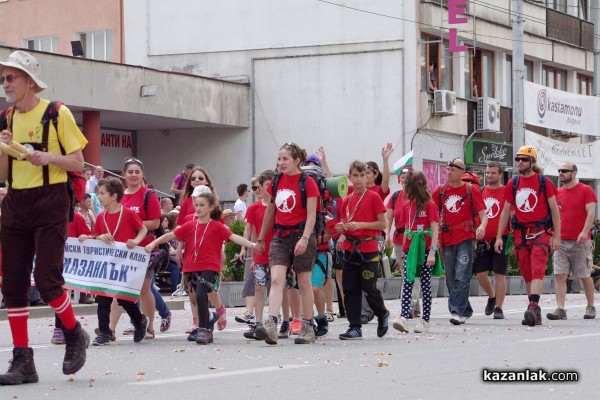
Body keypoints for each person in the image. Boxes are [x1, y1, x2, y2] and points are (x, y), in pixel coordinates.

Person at [0, 50, 90, 384]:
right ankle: (23, 360)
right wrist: (3, 147)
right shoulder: (6, 117)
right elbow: (3, 173)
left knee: (49, 281)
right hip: (15, 202)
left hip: (50, 199)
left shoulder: (57, 112)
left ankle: (74, 332)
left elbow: (79, 163)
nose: (5, 83)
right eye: (4, 78)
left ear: (29, 82)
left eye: (11, 77)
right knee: (12, 285)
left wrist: (48, 156)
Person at [146, 191, 255, 344]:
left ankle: (205, 330)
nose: (198, 208)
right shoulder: (190, 225)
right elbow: (170, 235)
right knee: (196, 297)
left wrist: (252, 245)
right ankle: (203, 326)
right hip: (191, 267)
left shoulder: (217, 226)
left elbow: (233, 237)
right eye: (196, 205)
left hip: (210, 266)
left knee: (201, 292)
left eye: (202, 205)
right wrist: (153, 243)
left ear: (211, 208)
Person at [254, 142, 319, 345]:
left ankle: (308, 326)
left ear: (297, 160)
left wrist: (305, 238)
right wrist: (261, 238)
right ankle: (271, 324)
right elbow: (271, 211)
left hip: (302, 235)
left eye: (285, 159)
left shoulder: (307, 182)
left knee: (304, 282)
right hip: (280, 237)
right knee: (276, 280)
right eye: (279, 159)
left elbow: (311, 216)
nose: (280, 163)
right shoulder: (276, 180)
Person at [79, 177, 150, 345]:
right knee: (103, 299)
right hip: (106, 264)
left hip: (124, 263)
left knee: (124, 298)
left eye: (102, 193)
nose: (99, 196)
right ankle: (104, 332)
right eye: (98, 193)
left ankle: (139, 320)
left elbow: (143, 229)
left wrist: (137, 241)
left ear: (114, 196)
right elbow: (95, 235)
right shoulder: (101, 217)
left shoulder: (128, 213)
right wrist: (92, 236)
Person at [494, 146, 561, 327]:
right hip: (520, 234)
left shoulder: (543, 181)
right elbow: (505, 211)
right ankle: (535, 312)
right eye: (518, 159)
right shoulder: (513, 183)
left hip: (540, 231)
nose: (520, 163)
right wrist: (499, 236)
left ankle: (533, 305)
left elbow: (554, 210)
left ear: (532, 162)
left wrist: (557, 236)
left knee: (538, 266)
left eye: (523, 159)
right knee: (526, 271)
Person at [335, 160, 390, 340]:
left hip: (368, 248)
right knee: (350, 288)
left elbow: (383, 223)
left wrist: (361, 225)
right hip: (350, 248)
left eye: (362, 175)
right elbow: (347, 223)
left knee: (369, 287)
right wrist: (342, 230)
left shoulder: (373, 197)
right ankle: (355, 327)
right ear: (349, 178)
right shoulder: (346, 200)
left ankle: (382, 313)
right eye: (355, 176)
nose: (359, 179)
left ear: (367, 177)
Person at [108, 158, 160, 338]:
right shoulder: (118, 196)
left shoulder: (149, 195)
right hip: (122, 250)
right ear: (123, 174)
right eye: (130, 172)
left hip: (144, 249)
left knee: (144, 289)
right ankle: (110, 329)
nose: (134, 175)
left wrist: (131, 223)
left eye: (137, 172)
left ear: (142, 174)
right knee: (119, 289)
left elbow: (155, 222)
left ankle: (150, 326)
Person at [433, 158, 487, 325]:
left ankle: (456, 311)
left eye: (452, 170)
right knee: (450, 278)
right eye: (447, 170)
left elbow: (483, 215)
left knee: (462, 276)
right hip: (447, 238)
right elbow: (433, 214)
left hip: (465, 238)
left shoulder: (471, 190)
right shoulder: (440, 191)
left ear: (461, 172)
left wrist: (482, 227)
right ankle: (466, 309)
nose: (448, 172)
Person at [392, 170, 440, 334]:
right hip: (411, 250)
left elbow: (435, 229)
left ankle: (425, 320)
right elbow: (407, 229)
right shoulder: (407, 206)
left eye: (407, 185)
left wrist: (433, 252)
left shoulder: (430, 205)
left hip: (425, 248)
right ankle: (403, 317)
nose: (404, 188)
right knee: (408, 281)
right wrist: (403, 252)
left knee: (425, 284)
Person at [547, 162, 596, 320]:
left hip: (580, 241)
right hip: (561, 241)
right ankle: (560, 309)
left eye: (564, 171)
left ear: (574, 173)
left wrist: (584, 231)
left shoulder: (586, 190)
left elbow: (591, 214)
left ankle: (590, 306)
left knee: (584, 275)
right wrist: (552, 236)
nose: (560, 173)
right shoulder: (557, 193)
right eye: (559, 170)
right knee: (560, 275)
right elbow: (554, 216)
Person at [239, 170, 276, 339]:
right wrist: (252, 255)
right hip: (260, 254)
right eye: (265, 184)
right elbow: (252, 232)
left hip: (277, 253)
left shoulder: (278, 206)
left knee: (277, 287)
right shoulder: (254, 208)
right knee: (259, 287)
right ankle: (259, 323)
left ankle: (279, 321)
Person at [473, 162, 509, 319]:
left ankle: (499, 308)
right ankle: (492, 296)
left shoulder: (506, 191)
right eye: (487, 173)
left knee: (499, 273)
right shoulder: (481, 191)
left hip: (502, 238)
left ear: (500, 174)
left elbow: (510, 215)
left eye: (493, 173)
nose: (489, 176)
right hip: (484, 240)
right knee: (480, 273)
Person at [235, 177, 260, 326]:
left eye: (258, 187)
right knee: (250, 280)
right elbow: (247, 228)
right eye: (254, 188)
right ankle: (249, 312)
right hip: (253, 246)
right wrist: (244, 247)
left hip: (272, 247)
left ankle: (285, 316)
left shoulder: (274, 206)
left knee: (276, 283)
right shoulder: (252, 207)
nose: (256, 191)